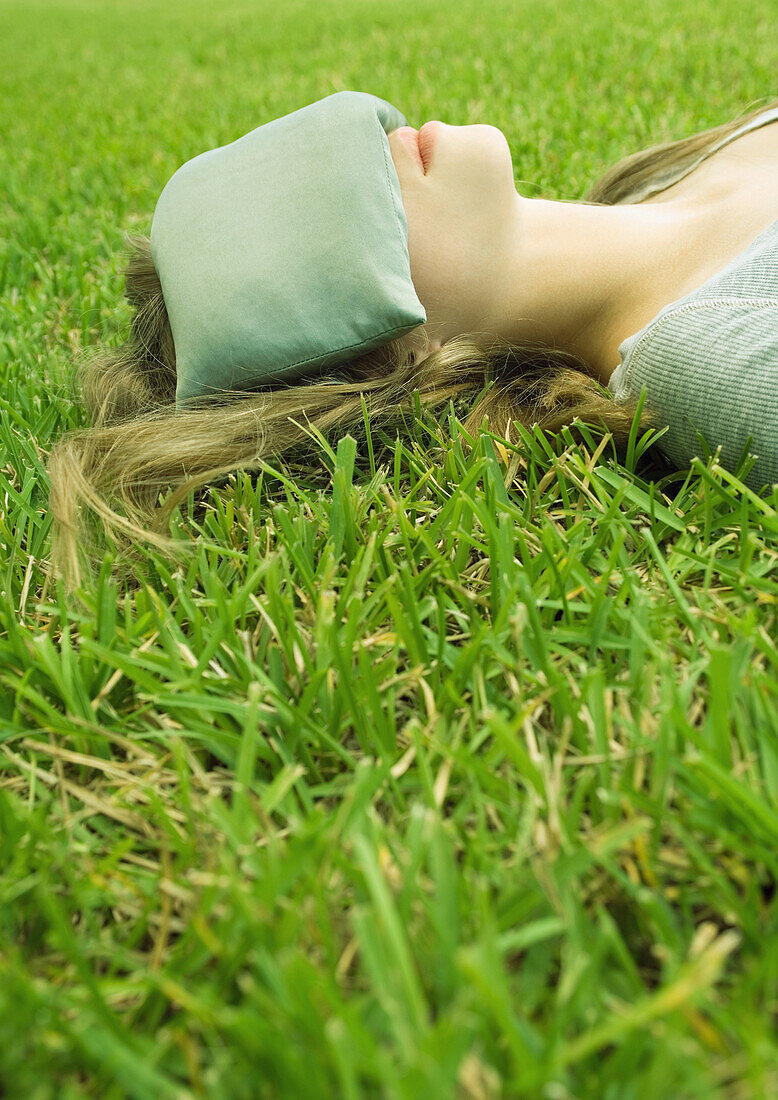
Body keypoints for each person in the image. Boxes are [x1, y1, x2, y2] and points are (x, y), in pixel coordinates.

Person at [46, 95, 778, 592]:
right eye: (319, 219)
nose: (370, 140)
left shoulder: (662, 175)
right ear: (398, 357)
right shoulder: (703, 359)